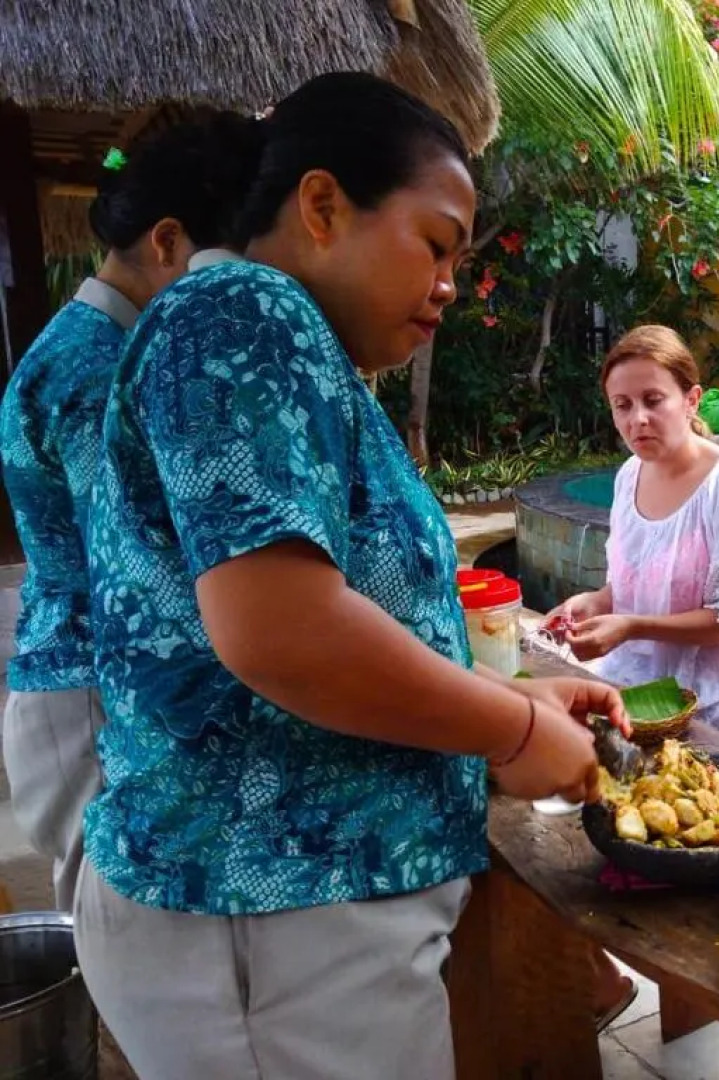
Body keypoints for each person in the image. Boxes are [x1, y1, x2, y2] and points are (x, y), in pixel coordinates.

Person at [76, 72, 623, 1080]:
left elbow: (334, 620)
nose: (452, 282)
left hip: (295, 930)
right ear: (322, 206)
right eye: (437, 242)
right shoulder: (243, 309)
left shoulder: (296, 348)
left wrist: (511, 699)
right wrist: (507, 728)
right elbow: (281, 630)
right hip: (263, 917)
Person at [0, 112, 263, 912]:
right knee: (113, 920)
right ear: (169, 243)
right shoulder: (97, 373)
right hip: (90, 686)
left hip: (85, 675)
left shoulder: (94, 349)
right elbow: (136, 561)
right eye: (228, 264)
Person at [548, 325, 719, 732]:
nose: (637, 419)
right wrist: (595, 603)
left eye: (653, 400)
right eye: (622, 405)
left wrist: (632, 626)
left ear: (692, 400)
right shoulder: (628, 477)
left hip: (705, 705)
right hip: (627, 687)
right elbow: (633, 587)